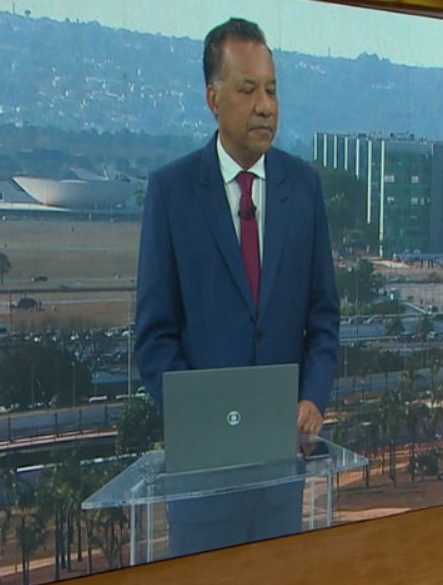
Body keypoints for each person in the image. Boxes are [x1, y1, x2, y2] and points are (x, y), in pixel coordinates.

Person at [134, 17, 339, 557]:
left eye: (271, 90)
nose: (265, 105)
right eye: (248, 90)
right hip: (203, 485)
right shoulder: (172, 193)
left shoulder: (305, 189)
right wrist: (209, 422)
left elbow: (323, 320)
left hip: (281, 477)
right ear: (213, 97)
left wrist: (313, 397)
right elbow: (153, 339)